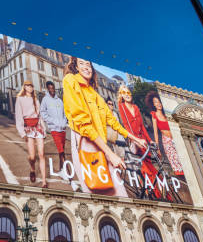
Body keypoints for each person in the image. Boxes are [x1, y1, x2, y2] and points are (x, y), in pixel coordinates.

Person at [63, 57, 147, 197]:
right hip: (86, 145)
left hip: (101, 146)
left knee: (120, 194)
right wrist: (110, 154)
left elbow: (113, 122)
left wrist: (135, 139)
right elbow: (84, 124)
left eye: (88, 64)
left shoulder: (95, 94)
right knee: (98, 195)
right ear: (76, 67)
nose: (86, 67)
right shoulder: (70, 80)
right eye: (81, 64)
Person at [117, 85, 164, 199]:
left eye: (128, 92)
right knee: (143, 167)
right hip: (135, 140)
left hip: (143, 140)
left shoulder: (136, 107)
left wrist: (149, 140)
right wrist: (134, 139)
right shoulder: (121, 106)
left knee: (150, 165)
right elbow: (127, 125)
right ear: (121, 95)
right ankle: (149, 193)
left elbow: (142, 126)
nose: (127, 94)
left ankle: (156, 191)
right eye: (124, 92)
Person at [14, 80, 48, 187]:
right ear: (24, 87)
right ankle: (32, 169)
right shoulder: (19, 99)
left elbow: (40, 116)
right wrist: (22, 132)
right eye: (27, 86)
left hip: (38, 127)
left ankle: (44, 182)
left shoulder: (36, 100)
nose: (30, 87)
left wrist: (44, 129)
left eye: (31, 86)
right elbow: (18, 117)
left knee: (42, 154)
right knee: (32, 157)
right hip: (28, 128)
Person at [146, 91, 184, 176]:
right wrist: (158, 148)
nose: (158, 103)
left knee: (183, 161)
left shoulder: (166, 114)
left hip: (176, 140)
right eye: (156, 102)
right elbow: (155, 133)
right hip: (167, 142)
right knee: (177, 166)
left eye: (159, 101)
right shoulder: (154, 115)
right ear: (153, 105)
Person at [40, 81, 68, 171]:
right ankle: (67, 174)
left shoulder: (59, 101)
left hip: (62, 129)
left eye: (53, 88)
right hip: (54, 129)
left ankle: (61, 170)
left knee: (62, 150)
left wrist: (64, 122)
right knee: (61, 151)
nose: (52, 90)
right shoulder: (45, 100)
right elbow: (43, 113)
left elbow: (64, 113)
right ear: (47, 89)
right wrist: (53, 121)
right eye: (50, 88)